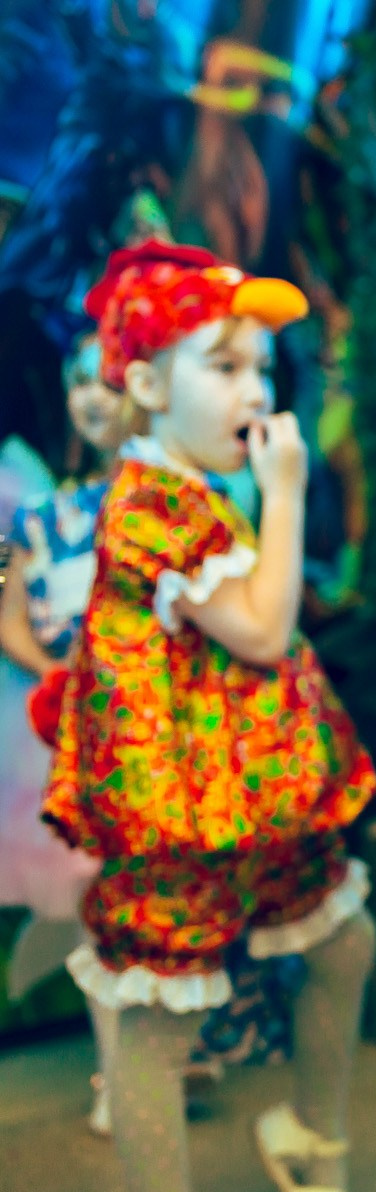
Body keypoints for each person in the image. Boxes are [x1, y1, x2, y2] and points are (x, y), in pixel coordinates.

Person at [42, 240, 376, 1192]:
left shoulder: (193, 487)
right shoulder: (158, 505)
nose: (253, 391)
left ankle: (305, 1133)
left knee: (341, 938)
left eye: (261, 371)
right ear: (142, 386)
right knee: (153, 1016)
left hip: (255, 791)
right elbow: (264, 627)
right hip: (183, 814)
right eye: (222, 366)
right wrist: (287, 491)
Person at [1, 334, 123, 1131]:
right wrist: (56, 664)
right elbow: (10, 606)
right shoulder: (39, 507)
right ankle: (123, 1067)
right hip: (59, 720)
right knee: (91, 896)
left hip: (138, 721)